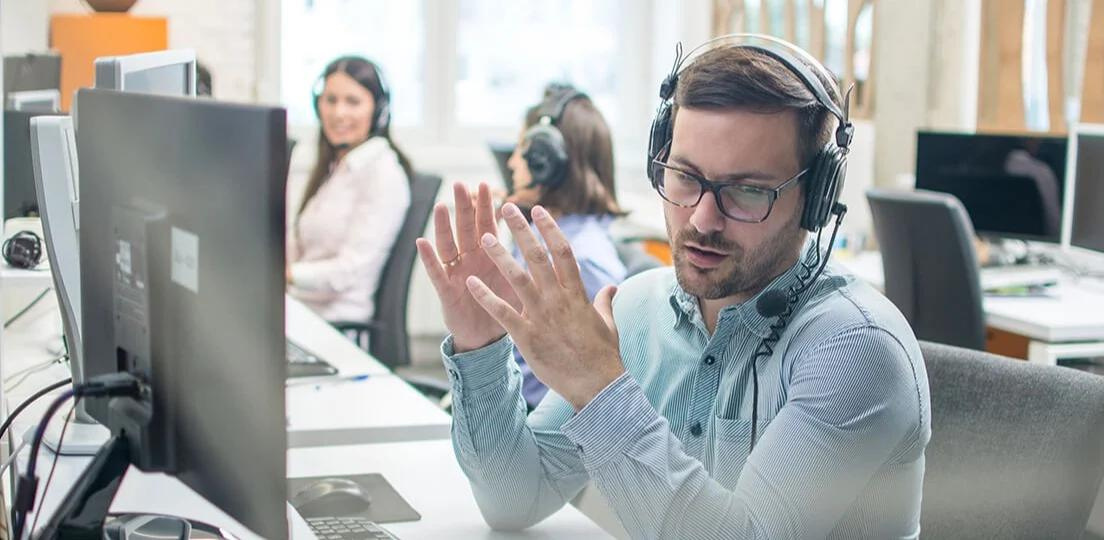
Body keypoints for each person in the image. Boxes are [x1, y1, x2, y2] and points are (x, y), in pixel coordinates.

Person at [417, 35, 930, 539]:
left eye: (748, 191)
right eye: (685, 177)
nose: (702, 219)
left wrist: (600, 390)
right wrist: (480, 344)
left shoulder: (857, 348)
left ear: (817, 198)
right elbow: (515, 499)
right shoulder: (641, 309)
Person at [502, 84, 627, 409]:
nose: (513, 163)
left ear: (548, 160)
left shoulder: (582, 258)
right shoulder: (539, 234)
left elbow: (607, 385)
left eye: (521, 150)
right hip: (512, 404)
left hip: (542, 425)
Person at [287, 56, 413, 322]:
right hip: (301, 311)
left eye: (352, 102)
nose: (338, 113)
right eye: (330, 100)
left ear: (377, 110)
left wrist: (287, 274)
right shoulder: (335, 167)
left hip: (336, 323)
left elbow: (349, 271)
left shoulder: (384, 174)